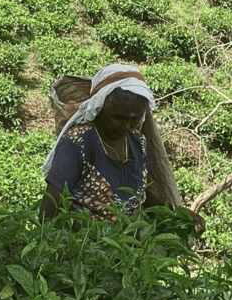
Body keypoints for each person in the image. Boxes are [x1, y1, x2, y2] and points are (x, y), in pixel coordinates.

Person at [39, 64, 167, 222]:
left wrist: (176, 212)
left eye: (134, 118)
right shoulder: (78, 143)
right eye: (118, 118)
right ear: (99, 109)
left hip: (127, 244)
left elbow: (139, 197)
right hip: (86, 243)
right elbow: (47, 214)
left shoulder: (137, 142)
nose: (126, 127)